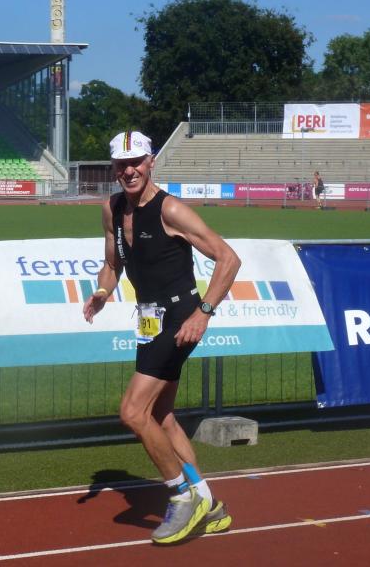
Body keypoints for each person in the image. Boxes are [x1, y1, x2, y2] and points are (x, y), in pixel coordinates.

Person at [83, 130, 241, 544]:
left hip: (180, 317)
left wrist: (203, 313)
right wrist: (103, 291)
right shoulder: (112, 209)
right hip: (149, 320)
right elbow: (111, 264)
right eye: (121, 164)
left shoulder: (170, 209)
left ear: (151, 162)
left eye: (136, 162)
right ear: (113, 168)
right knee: (160, 417)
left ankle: (182, 496)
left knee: (133, 412)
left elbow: (228, 258)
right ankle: (209, 503)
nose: (129, 170)